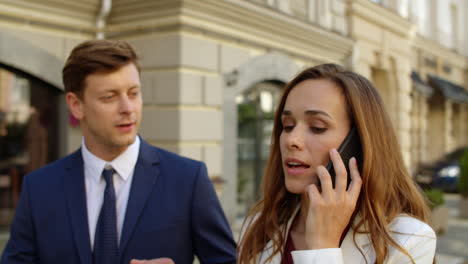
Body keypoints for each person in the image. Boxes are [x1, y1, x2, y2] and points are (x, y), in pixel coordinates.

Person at [0, 40, 236, 264]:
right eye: (109, 97)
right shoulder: (39, 189)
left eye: (133, 93)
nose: (127, 108)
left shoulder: (188, 180)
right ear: (76, 105)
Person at [238, 64, 436, 264]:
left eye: (317, 127)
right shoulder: (260, 227)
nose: (291, 140)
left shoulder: (409, 239)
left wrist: (323, 247)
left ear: (358, 144)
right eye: (287, 126)